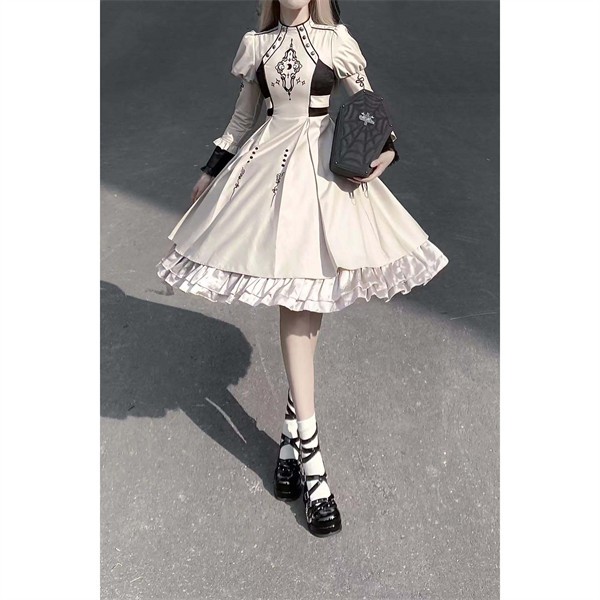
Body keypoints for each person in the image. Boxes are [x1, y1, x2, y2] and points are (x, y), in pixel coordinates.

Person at [156, 0, 449, 537]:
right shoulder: (258, 44)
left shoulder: (337, 41)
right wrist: (211, 170)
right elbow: (243, 117)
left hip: (321, 178)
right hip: (267, 174)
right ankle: (313, 464)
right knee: (297, 306)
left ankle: (293, 442)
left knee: (308, 305)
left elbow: (368, 106)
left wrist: (387, 150)